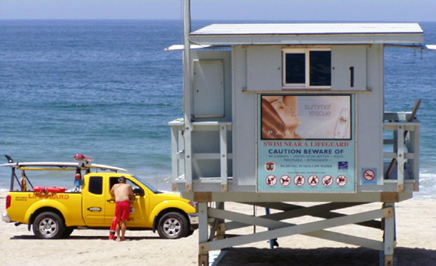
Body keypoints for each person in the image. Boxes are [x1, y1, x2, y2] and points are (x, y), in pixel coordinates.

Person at [109, 176, 135, 241]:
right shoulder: (128, 185)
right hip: (126, 203)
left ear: (118, 181)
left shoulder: (115, 186)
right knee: (124, 221)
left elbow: (111, 193)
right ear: (125, 181)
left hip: (118, 203)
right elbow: (132, 194)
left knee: (118, 221)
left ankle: (118, 237)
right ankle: (123, 237)